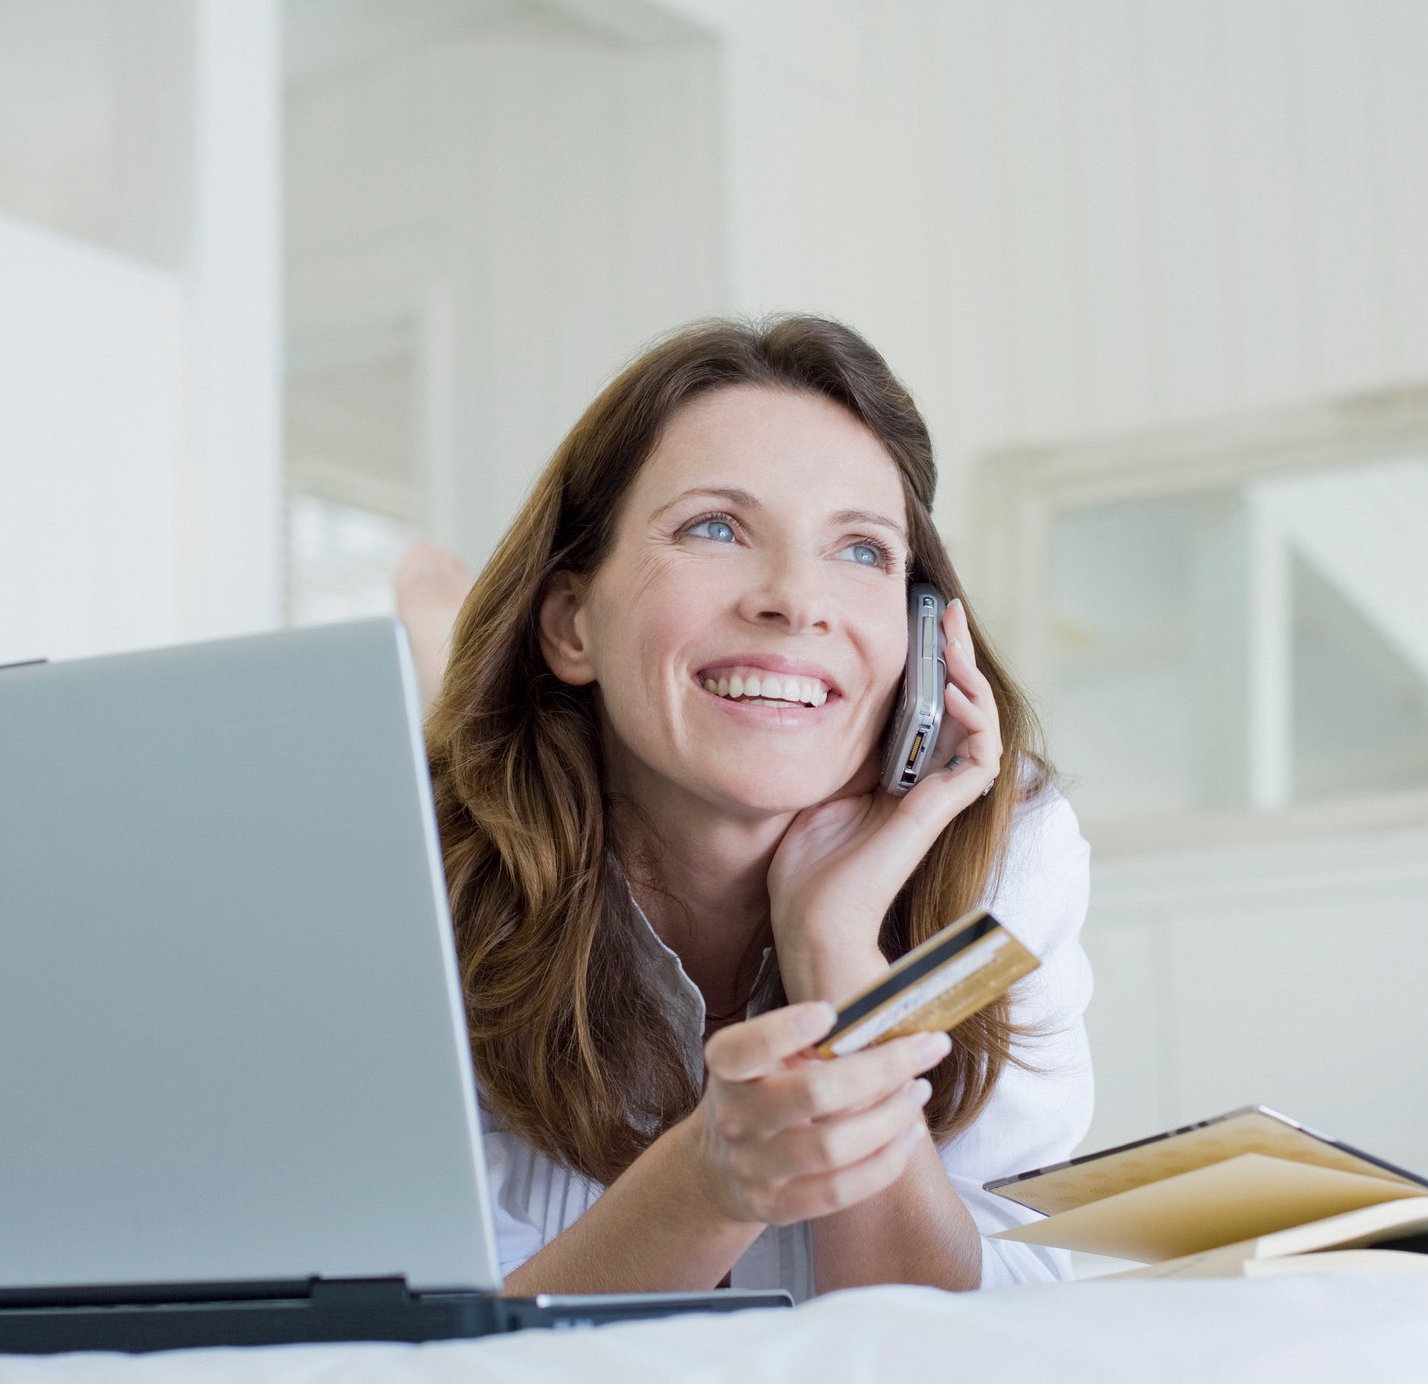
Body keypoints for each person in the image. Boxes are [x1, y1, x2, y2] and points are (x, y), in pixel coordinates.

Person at [407, 314, 1093, 1300]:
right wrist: (708, 1180)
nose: (792, 600)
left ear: (921, 633)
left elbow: (966, 1346)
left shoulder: (1001, 856)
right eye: (715, 528)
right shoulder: (421, 880)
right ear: (569, 625)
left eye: (859, 550)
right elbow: (439, 1348)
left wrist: (835, 947)